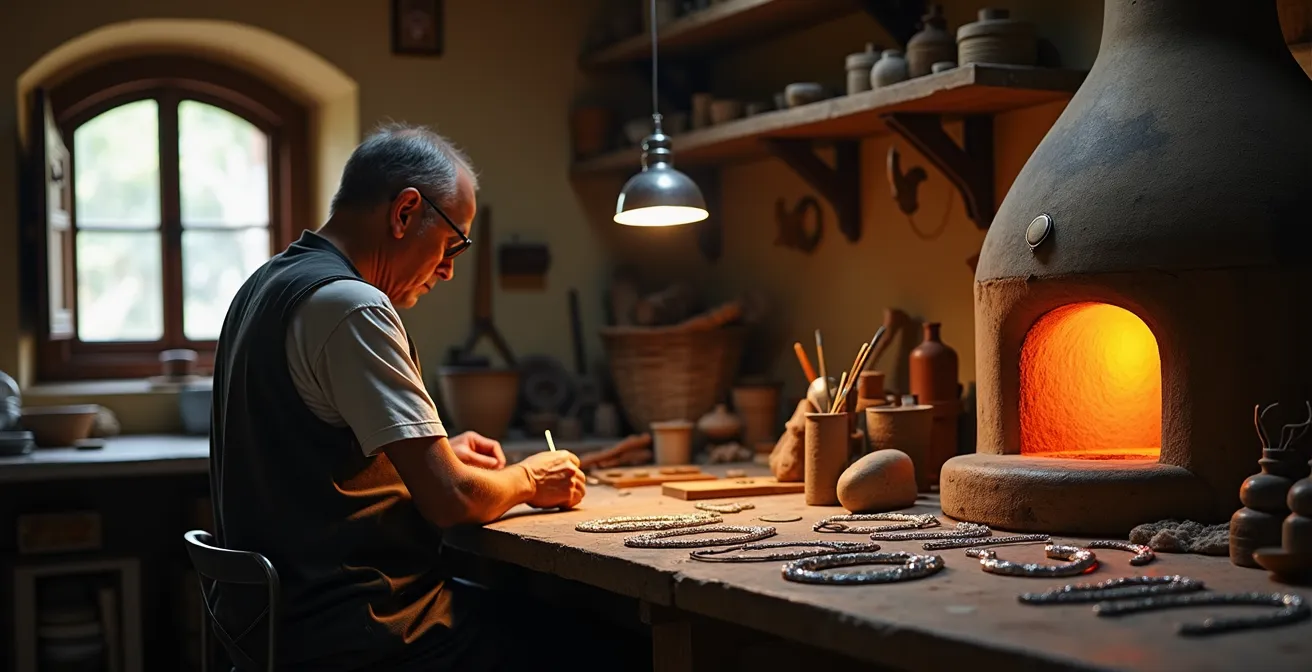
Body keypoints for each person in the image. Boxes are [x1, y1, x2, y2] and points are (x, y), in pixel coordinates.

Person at [208, 123, 588, 671]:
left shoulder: (266, 285)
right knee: (600, 641)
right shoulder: (351, 307)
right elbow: (451, 499)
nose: (450, 269)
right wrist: (531, 479)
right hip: (363, 631)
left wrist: (426, 451)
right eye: (452, 244)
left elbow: (308, 455)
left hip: (276, 626)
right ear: (406, 212)